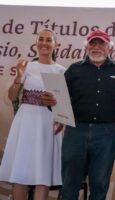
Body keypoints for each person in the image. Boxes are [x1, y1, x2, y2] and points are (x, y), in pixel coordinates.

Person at [57, 29, 115, 200]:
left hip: (106, 134)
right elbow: (59, 99)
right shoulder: (74, 69)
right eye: (92, 43)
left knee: (100, 185)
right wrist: (54, 105)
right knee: (70, 184)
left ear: (109, 47)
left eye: (101, 43)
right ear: (86, 47)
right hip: (76, 132)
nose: (96, 47)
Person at [0, 28, 65, 200]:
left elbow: (63, 107)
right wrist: (18, 76)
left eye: (49, 40)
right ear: (36, 43)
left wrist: (60, 116)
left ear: (56, 45)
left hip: (47, 124)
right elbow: (11, 96)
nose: (44, 43)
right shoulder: (27, 66)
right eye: (41, 39)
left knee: (42, 175)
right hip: (25, 121)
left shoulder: (61, 70)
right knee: (21, 172)